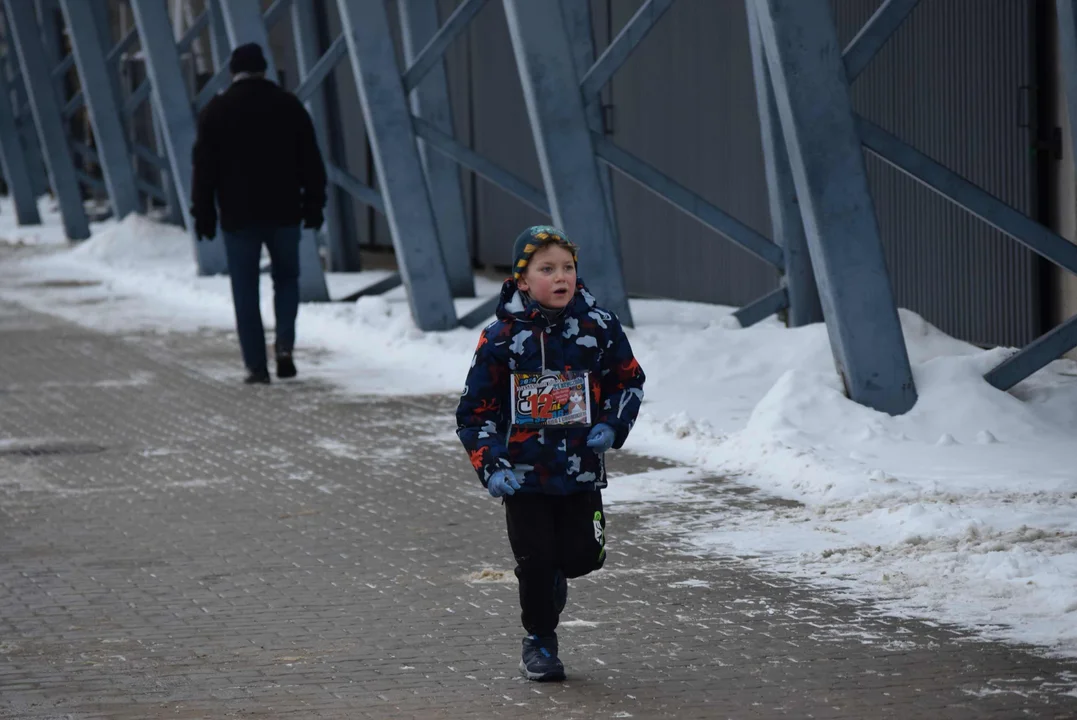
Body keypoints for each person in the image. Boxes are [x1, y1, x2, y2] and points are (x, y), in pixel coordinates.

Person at [456, 226, 646, 681]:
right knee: (535, 561)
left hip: (579, 470)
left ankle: (557, 577)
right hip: (523, 476)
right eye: (547, 269)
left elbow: (628, 381)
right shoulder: (501, 337)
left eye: (567, 267)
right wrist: (493, 467)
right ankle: (539, 641)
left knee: (585, 556)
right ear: (523, 280)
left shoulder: (598, 326)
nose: (560, 277)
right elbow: (473, 412)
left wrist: (611, 424)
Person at [190, 43, 327, 384]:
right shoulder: (289, 106)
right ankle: (284, 346)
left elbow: (203, 169)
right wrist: (314, 203)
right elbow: (311, 160)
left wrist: (203, 212)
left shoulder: (216, 111)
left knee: (245, 288)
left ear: (232, 71)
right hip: (284, 212)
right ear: (265, 70)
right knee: (287, 280)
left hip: (239, 216)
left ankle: (256, 365)